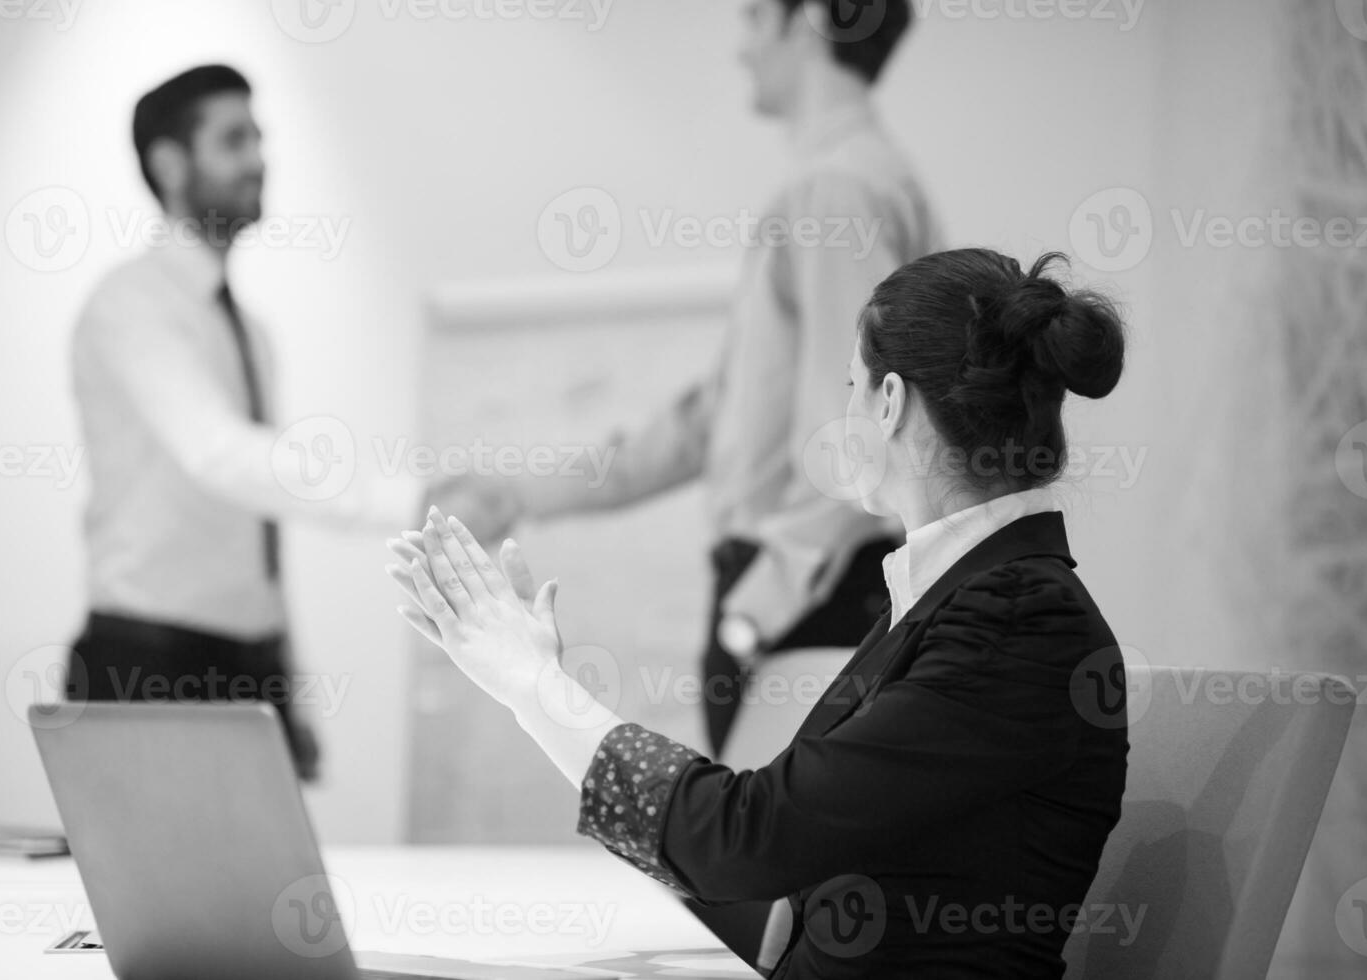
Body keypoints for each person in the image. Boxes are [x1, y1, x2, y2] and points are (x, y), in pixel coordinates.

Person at [390, 249, 1130, 978]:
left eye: (850, 383)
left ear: (890, 400)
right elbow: (786, 886)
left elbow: (752, 839)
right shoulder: (970, 595)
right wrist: (537, 691)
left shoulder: (1013, 618)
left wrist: (534, 688)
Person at [434, 0, 940, 759]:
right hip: (805, 592)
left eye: (750, 19)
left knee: (751, 868)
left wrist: (752, 615)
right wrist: (518, 494)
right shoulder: (845, 184)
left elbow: (860, 435)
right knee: (752, 867)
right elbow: (711, 420)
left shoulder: (835, 193)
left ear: (805, 23)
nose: (739, 48)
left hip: (805, 600)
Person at [68, 65, 420, 781]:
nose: (259, 158)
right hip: (149, 662)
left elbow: (252, 523)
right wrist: (409, 501)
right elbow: (220, 456)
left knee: (255, 893)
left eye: (258, 136)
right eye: (234, 139)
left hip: (248, 662)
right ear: (171, 164)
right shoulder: (129, 306)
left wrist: (287, 681)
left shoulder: (250, 331)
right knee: (149, 890)